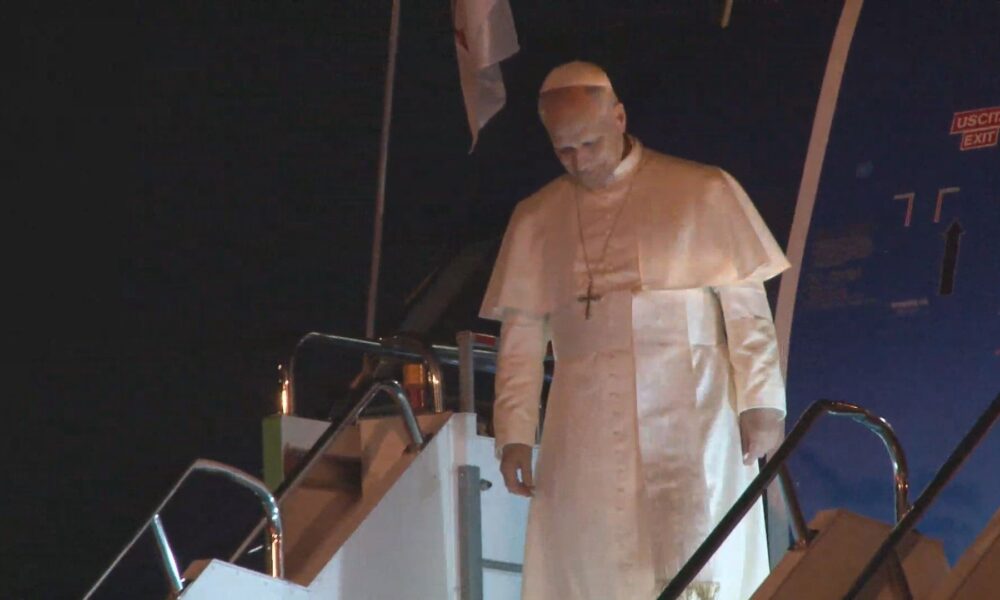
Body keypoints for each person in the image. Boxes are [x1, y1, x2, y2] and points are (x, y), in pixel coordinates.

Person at [479, 61, 789, 600]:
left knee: (701, 560)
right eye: (564, 151)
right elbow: (521, 343)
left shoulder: (702, 189)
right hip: (586, 426)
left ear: (619, 118)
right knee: (594, 563)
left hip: (694, 410)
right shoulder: (536, 218)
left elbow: (747, 311)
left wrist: (762, 404)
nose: (580, 162)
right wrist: (514, 435)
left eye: (589, 144)